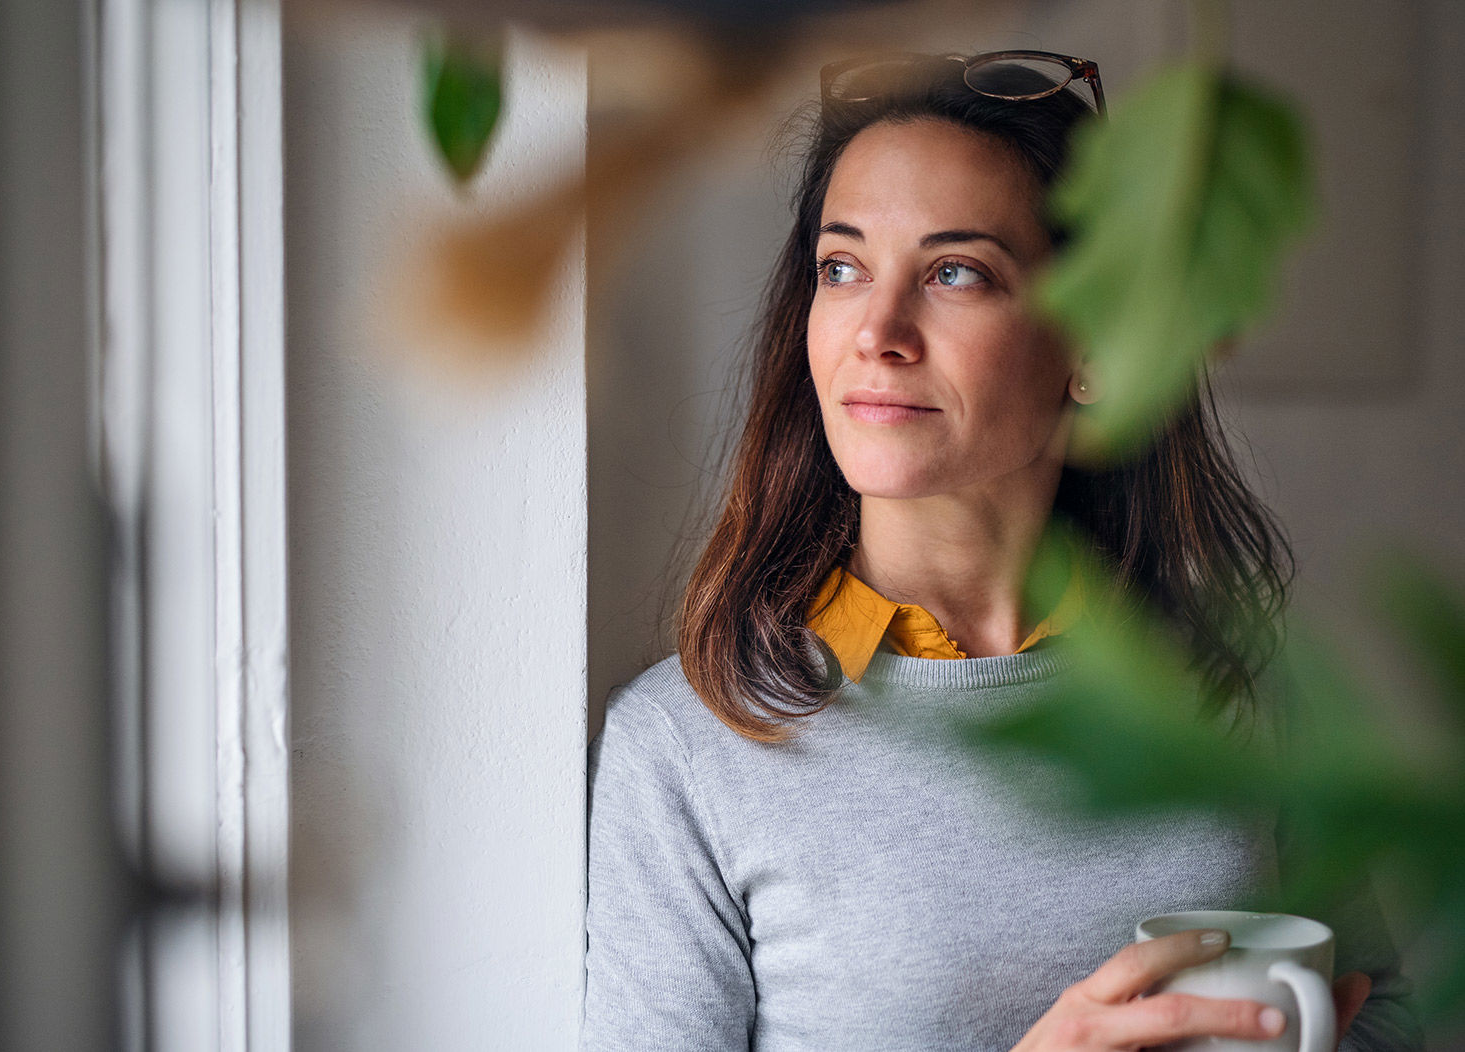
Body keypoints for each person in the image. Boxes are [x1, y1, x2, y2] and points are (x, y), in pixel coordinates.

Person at [581, 51, 1419, 1050]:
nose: (877, 331)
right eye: (841, 267)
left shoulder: (1241, 690)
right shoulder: (686, 746)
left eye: (955, 273)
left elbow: (1383, 1015)